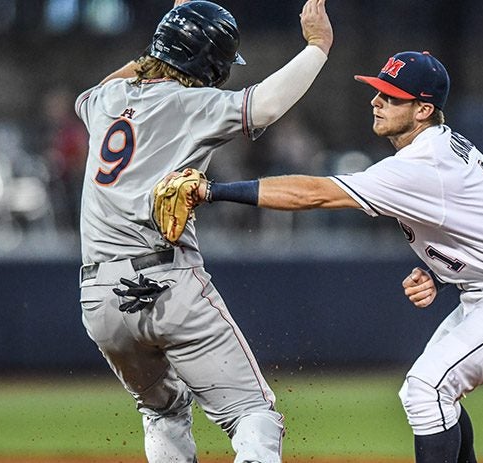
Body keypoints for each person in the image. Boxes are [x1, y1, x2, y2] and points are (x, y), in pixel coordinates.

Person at [171, 50, 483, 462]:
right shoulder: (439, 147)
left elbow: (314, 195)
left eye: (391, 95)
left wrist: (213, 190)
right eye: (378, 90)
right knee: (431, 392)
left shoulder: (424, 163)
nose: (376, 100)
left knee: (428, 389)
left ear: (423, 109)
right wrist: (442, 270)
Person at [74, 0, 332, 462]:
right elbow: (266, 106)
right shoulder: (197, 104)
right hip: (167, 284)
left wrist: (165, 39)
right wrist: (318, 47)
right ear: (212, 64)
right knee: (252, 413)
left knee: (163, 411)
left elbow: (104, 86)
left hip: (99, 298)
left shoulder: (105, 101)